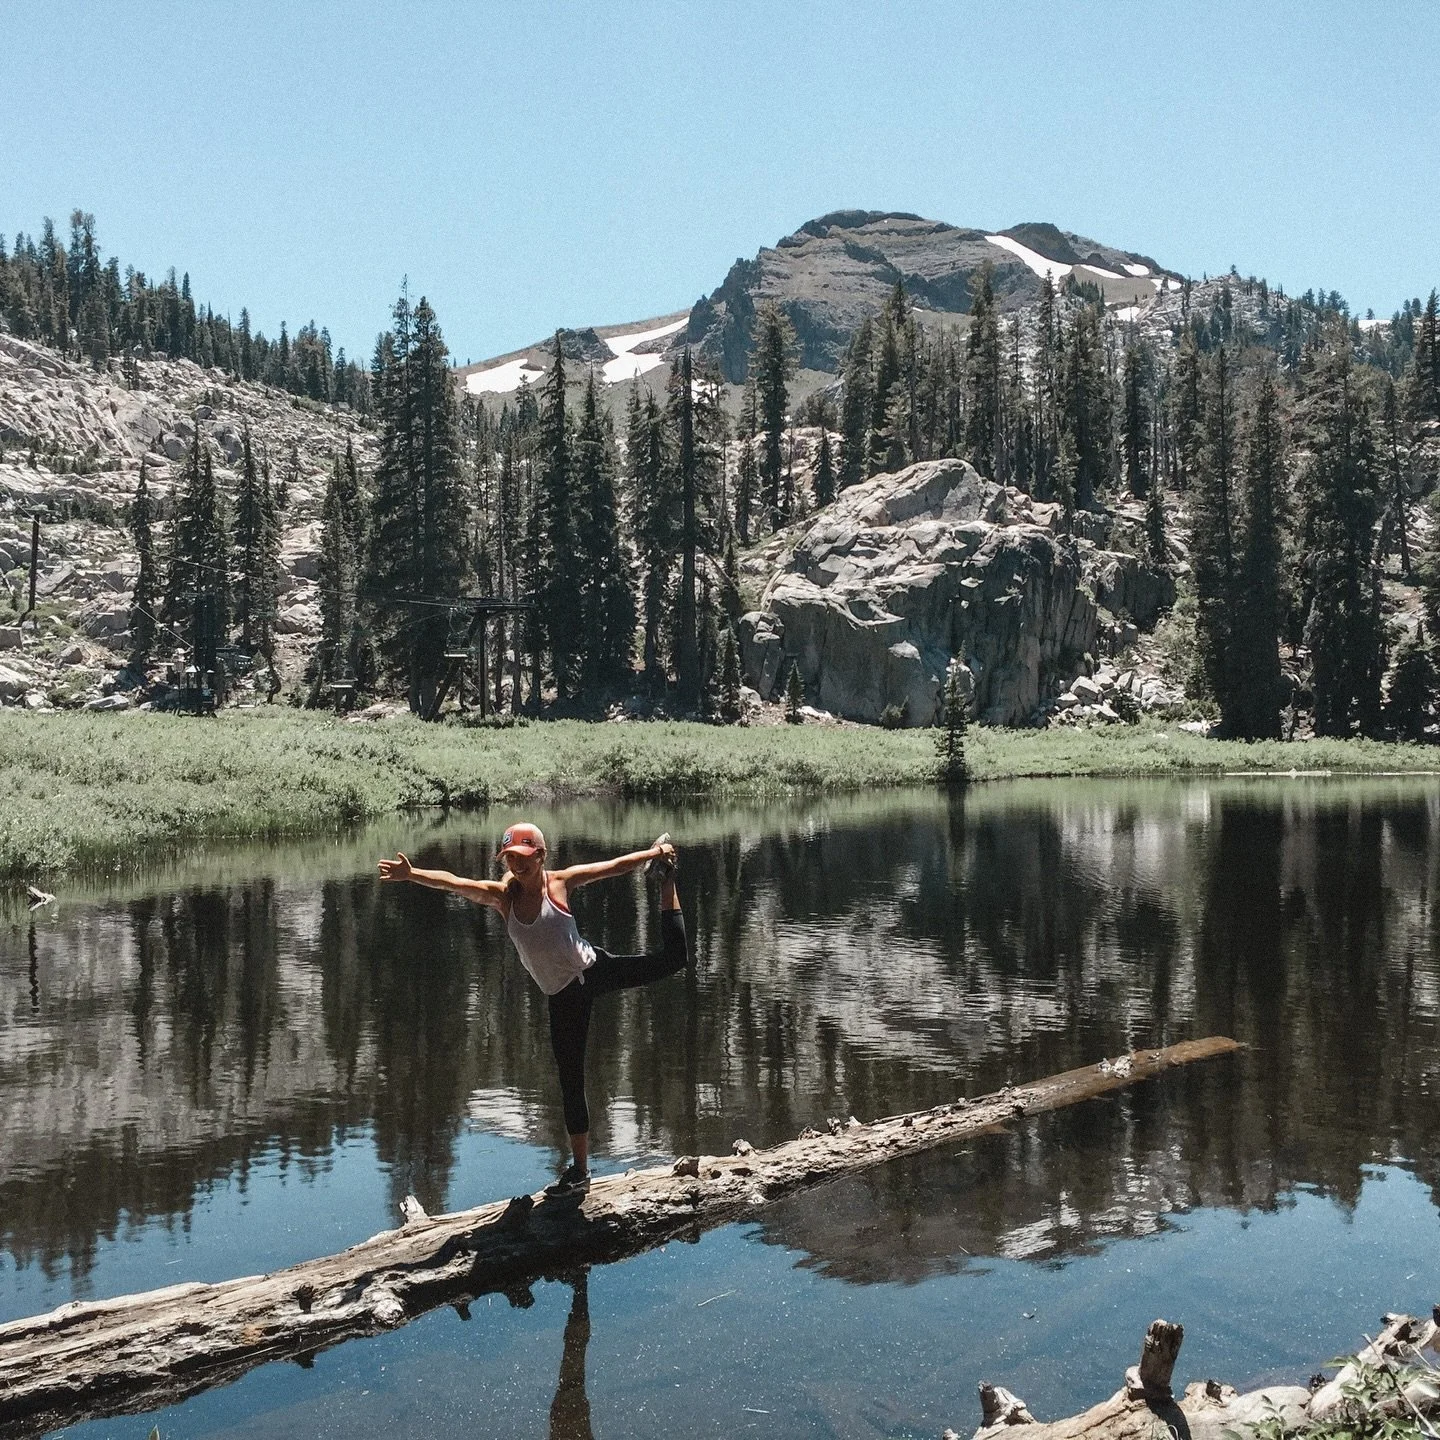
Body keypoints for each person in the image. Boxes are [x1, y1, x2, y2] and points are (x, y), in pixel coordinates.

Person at [377, 824, 685, 1194]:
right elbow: (454, 882)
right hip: (562, 997)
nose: (516, 866)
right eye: (509, 859)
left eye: (523, 858)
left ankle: (668, 880)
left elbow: (615, 865)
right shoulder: (502, 897)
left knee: (673, 959)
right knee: (570, 1079)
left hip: (592, 971)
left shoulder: (560, 883)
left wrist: (655, 856)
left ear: (540, 856)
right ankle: (581, 1173)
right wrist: (413, 875)